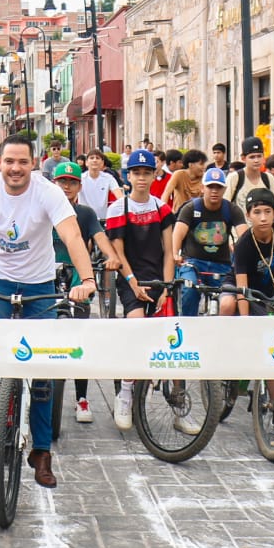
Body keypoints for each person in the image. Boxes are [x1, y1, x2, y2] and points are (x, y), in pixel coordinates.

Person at [0, 134, 96, 489]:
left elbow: (73, 237)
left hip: (39, 285)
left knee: (42, 366)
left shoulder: (48, 192)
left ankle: (41, 450)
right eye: (9, 161)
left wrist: (86, 279)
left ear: (33, 163)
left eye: (23, 162)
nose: (15, 168)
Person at [104, 149, 175, 429]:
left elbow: (169, 252)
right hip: (130, 278)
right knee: (135, 328)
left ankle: (178, 399)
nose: (142, 178)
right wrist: (133, 282)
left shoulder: (162, 209)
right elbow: (118, 252)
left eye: (147, 173)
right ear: (128, 176)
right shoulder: (117, 209)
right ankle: (125, 391)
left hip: (159, 279)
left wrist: (167, 289)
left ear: (154, 174)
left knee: (173, 337)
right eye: (137, 173)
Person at [51, 160, 119, 425]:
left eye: (72, 182)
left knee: (79, 341)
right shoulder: (44, 210)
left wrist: (112, 258)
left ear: (79, 186)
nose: (66, 186)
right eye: (62, 182)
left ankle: (81, 398)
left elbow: (102, 242)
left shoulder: (86, 214)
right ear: (54, 184)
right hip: (46, 278)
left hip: (78, 279)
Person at [171, 167, 247, 317]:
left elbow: (244, 236)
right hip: (193, 263)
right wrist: (175, 253)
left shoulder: (232, 210)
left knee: (231, 297)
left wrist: (242, 253)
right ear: (202, 188)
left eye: (218, 187)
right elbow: (178, 233)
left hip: (222, 266)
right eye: (210, 186)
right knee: (189, 289)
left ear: (224, 189)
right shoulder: (190, 208)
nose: (214, 191)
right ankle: (187, 326)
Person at [228, 137, 274, 214]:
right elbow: (224, 205)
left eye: (259, 156)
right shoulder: (234, 178)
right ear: (243, 158)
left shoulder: (268, 178)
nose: (256, 160)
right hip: (241, 225)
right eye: (252, 157)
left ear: (263, 157)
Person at [79, 149, 119, 222]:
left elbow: (119, 196)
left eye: (97, 158)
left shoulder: (108, 178)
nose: (95, 160)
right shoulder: (80, 178)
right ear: (86, 163)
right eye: (91, 158)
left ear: (102, 163)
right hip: (84, 220)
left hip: (103, 220)